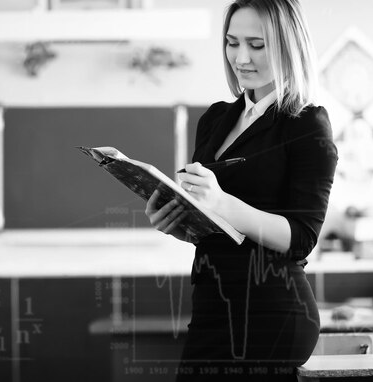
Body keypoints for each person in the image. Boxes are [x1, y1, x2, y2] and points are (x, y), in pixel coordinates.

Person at [144, 0, 338, 380]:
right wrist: (179, 222)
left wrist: (221, 201)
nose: (241, 57)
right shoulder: (215, 118)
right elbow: (221, 230)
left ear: (287, 45)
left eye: (257, 44)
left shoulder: (306, 124)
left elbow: (301, 237)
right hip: (213, 305)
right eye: (232, 43)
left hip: (271, 313)